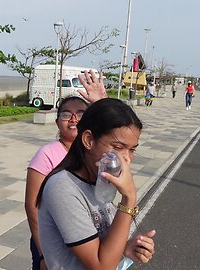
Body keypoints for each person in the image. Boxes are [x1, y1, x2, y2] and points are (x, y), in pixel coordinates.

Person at [37, 98, 156, 269]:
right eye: (118, 146)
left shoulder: (101, 181)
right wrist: (129, 198)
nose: (127, 159)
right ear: (88, 140)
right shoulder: (62, 187)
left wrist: (126, 249)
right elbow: (102, 266)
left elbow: (103, 247)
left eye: (132, 149)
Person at [25, 70, 107, 270]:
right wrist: (43, 253)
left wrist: (101, 103)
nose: (73, 119)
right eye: (65, 114)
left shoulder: (95, 151)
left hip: (89, 236)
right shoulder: (47, 154)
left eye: (80, 114)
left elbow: (119, 134)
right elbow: (32, 207)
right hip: (52, 243)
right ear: (57, 122)